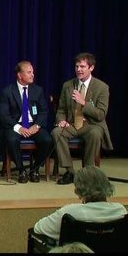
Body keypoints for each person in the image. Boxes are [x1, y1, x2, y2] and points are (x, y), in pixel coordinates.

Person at [52, 52, 113, 185]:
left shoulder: (101, 87)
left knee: (96, 133)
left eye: (82, 66)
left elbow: (100, 114)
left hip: (91, 124)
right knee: (56, 132)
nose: (78, 69)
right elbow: (61, 110)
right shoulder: (67, 85)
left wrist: (84, 103)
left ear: (91, 68)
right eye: (76, 66)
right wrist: (61, 120)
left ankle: (88, 173)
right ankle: (70, 172)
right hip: (72, 124)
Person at [33, 166, 127, 242]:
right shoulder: (120, 210)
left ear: (78, 190)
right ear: (107, 185)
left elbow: (38, 228)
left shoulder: (69, 213)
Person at [0, 61, 53, 183]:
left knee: (47, 140)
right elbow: (3, 115)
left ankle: (35, 169)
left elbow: (44, 111)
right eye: (29, 72)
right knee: (11, 139)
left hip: (33, 124)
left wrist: (37, 126)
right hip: (15, 125)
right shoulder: (7, 91)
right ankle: (21, 169)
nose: (32, 74)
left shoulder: (38, 90)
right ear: (19, 75)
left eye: (32, 72)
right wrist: (18, 127)